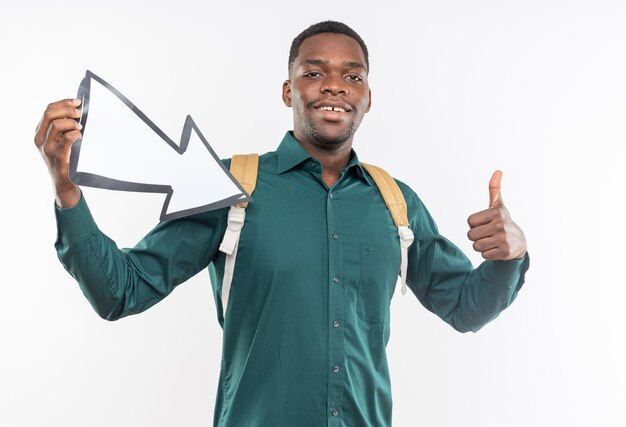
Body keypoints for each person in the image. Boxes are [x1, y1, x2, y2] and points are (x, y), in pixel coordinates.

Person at [34, 21, 529, 427]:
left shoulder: (396, 203)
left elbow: (466, 307)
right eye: (315, 73)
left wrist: (510, 257)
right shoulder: (229, 188)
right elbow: (121, 291)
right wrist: (66, 188)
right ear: (289, 89)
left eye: (352, 77)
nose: (335, 85)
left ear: (369, 98)